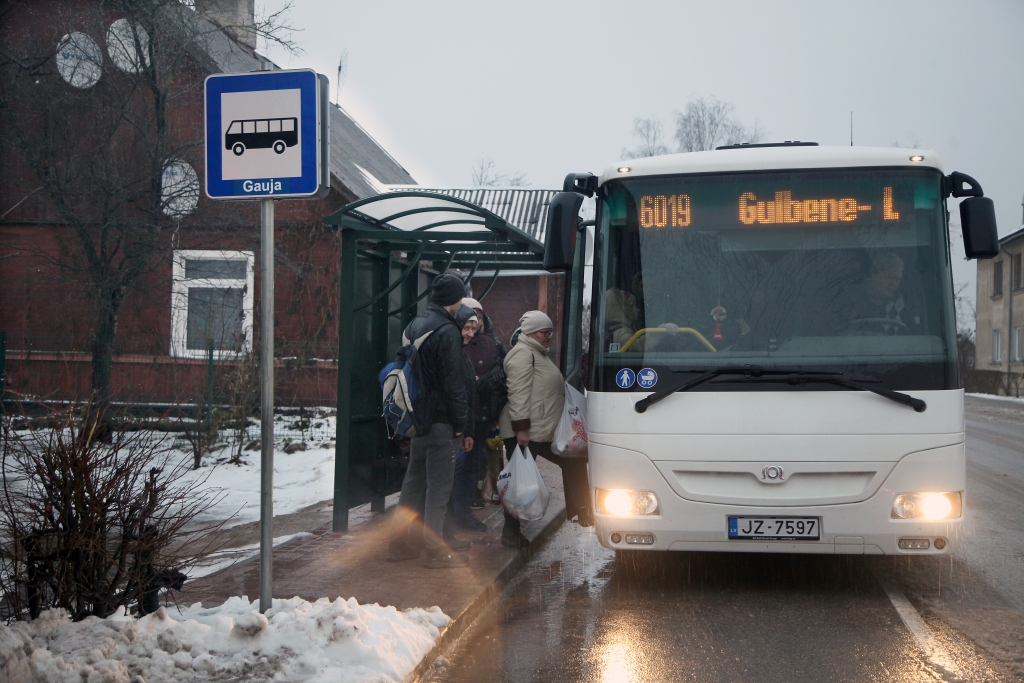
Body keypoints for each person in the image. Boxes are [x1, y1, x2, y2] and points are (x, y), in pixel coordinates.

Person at [386, 274, 473, 569]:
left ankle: (398, 544)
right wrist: (461, 423)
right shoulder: (447, 331)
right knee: (439, 488)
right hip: (440, 420)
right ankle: (435, 553)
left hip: (417, 417)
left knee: (413, 485)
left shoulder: (415, 324)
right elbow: (453, 384)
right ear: (455, 299)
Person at [498, 310, 592, 549]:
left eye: (550, 332)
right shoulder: (522, 355)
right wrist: (521, 430)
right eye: (544, 332)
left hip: (543, 429)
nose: (548, 336)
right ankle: (510, 533)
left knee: (573, 460)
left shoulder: (538, 354)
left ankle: (583, 511)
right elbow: (517, 395)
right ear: (530, 332)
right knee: (520, 482)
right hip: (526, 431)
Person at [460, 297, 505, 512]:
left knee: (473, 462)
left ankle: (466, 504)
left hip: (483, 414)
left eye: (478, 318)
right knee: (462, 462)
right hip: (462, 414)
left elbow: (501, 372)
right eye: (471, 318)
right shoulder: (456, 342)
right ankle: (458, 507)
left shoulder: (491, 344)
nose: (475, 323)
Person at [450, 304, 488, 531]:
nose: (471, 333)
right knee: (455, 470)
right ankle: (449, 519)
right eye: (467, 326)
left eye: (475, 325)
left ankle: (460, 514)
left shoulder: (487, 344)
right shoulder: (452, 350)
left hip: (470, 421)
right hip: (455, 423)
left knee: (469, 466)